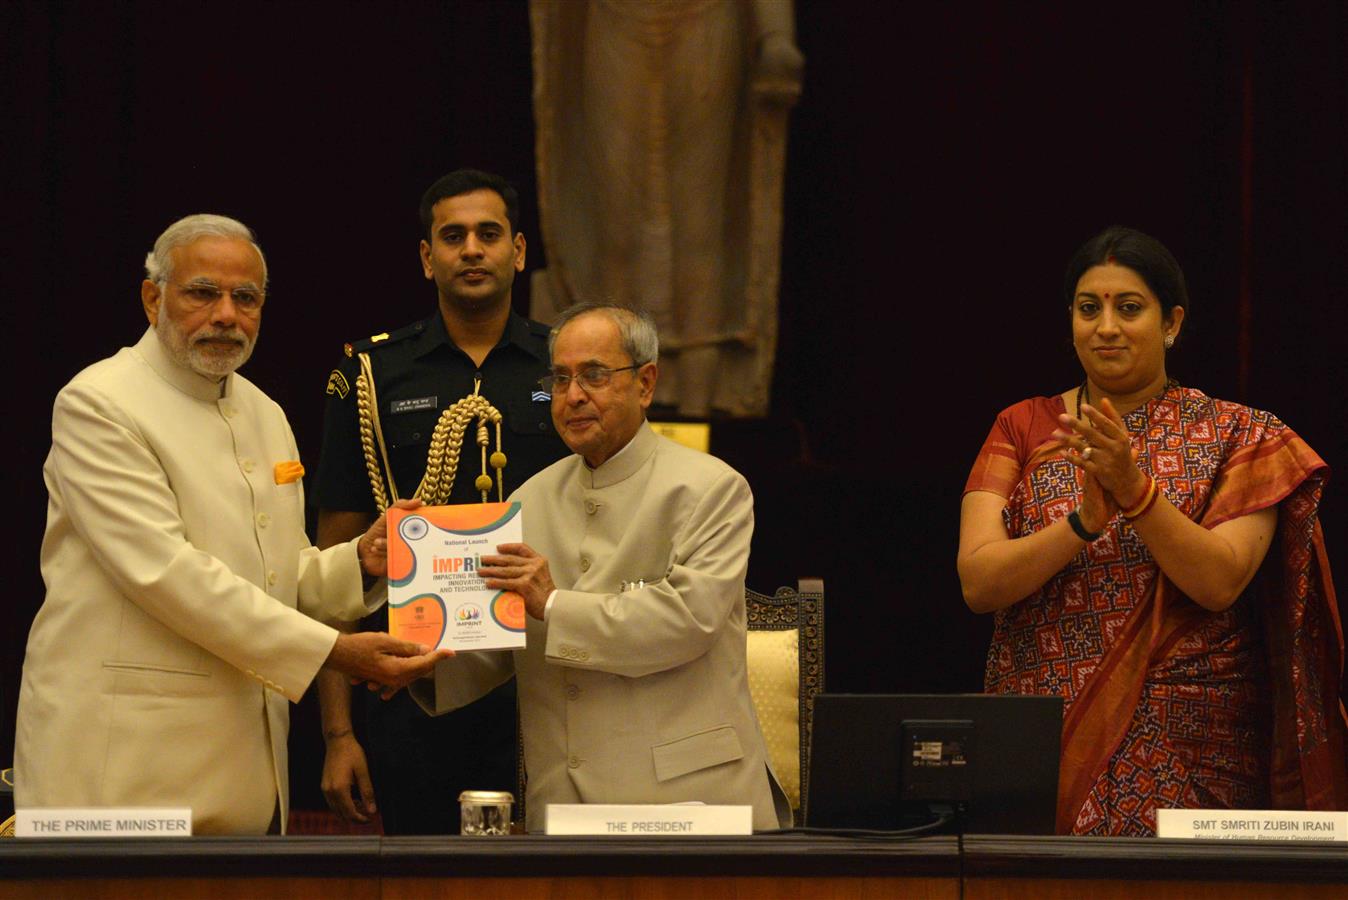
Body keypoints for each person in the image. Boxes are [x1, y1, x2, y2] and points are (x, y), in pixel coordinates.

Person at [14, 214, 446, 835]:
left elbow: (277, 571)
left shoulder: (263, 411)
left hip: (243, 771)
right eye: (202, 293)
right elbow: (169, 577)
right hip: (120, 769)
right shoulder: (98, 404)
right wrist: (337, 650)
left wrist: (360, 560)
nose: (226, 314)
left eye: (245, 298)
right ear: (151, 297)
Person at [958, 226, 1348, 835]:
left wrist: (1134, 491)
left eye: (1129, 308)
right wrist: (1084, 522)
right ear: (1071, 323)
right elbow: (979, 582)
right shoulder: (1022, 427)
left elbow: (1219, 581)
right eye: (1090, 309)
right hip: (1041, 737)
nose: (1106, 326)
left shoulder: (1242, 437)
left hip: (1191, 752)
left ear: (1171, 323)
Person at [410, 303, 792, 832]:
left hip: (691, 807)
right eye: (561, 379)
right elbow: (498, 636)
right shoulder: (527, 501)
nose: (572, 397)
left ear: (645, 383)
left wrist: (554, 603)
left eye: (593, 375)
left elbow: (686, 622)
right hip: (564, 804)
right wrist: (420, 652)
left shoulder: (712, 488)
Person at [314, 169, 568, 832]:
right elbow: (334, 559)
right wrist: (339, 733)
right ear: (428, 259)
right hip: (412, 679)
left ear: (518, 251)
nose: (472, 250)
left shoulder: (563, 370)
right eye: (452, 237)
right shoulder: (369, 375)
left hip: (544, 678)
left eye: (489, 234)